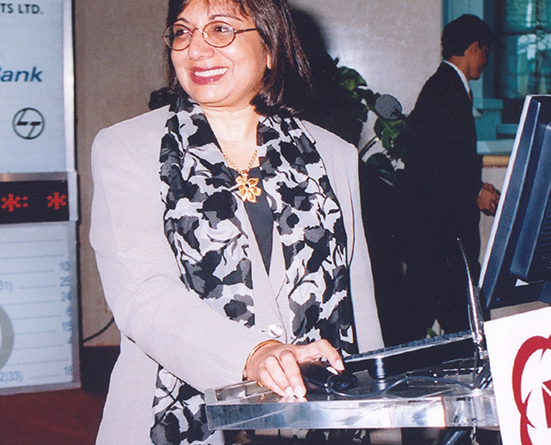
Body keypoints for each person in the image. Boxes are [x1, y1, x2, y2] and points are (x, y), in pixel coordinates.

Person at [89, 0, 383, 443]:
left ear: (270, 48)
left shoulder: (334, 155)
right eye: (183, 32)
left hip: (319, 415)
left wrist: (380, 418)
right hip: (176, 414)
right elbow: (142, 295)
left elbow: (358, 308)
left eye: (221, 29)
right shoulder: (127, 148)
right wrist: (256, 354)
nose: (197, 49)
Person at [394, 15, 500, 345]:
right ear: (473, 48)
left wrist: (475, 187)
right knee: (462, 321)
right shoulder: (447, 90)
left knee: (445, 318)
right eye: (486, 50)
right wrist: (474, 192)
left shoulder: (444, 86)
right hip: (441, 235)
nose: (486, 58)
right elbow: (438, 163)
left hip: (436, 234)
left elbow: (443, 157)